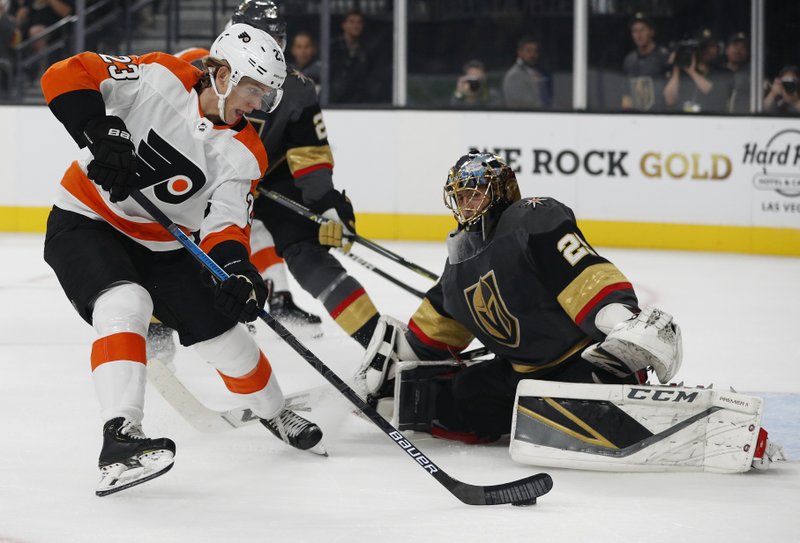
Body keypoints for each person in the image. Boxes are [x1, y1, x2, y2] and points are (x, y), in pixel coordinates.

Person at [40, 23, 324, 496]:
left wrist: (237, 270)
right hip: (87, 220)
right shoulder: (159, 76)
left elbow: (226, 224)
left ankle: (275, 412)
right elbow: (66, 73)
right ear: (225, 73)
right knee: (124, 303)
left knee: (228, 341)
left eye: (265, 97)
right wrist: (99, 127)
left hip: (166, 246)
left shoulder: (245, 153)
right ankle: (120, 435)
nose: (257, 105)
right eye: (253, 90)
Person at [355, 152, 683, 444]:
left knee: (584, 383)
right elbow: (429, 337)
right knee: (466, 392)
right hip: (524, 376)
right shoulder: (455, 270)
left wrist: (621, 322)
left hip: (579, 359)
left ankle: (623, 377)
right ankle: (404, 403)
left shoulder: (532, 220)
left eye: (476, 193)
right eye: (462, 196)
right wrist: (386, 371)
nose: (468, 203)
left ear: (500, 193)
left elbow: (585, 276)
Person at [170, 1, 382, 350]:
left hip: (269, 176)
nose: (268, 46)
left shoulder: (296, 89)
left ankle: (377, 339)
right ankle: (163, 317)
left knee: (307, 246)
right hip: (206, 176)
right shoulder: (194, 66)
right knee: (179, 242)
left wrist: (325, 205)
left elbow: (310, 157)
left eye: (275, 38)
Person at [663, 28, 733, 113]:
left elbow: (716, 96)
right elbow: (669, 100)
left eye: (711, 46)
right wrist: (676, 66)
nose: (707, 50)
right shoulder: (682, 74)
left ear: (718, 48)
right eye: (703, 46)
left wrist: (692, 73)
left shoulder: (724, 73)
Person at [620, 12, 669, 111]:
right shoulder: (629, 60)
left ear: (651, 32)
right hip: (635, 117)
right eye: (634, 31)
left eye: (642, 30)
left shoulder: (663, 57)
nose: (638, 35)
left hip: (659, 115)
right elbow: (626, 94)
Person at [329, 8, 374, 103]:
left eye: (359, 22)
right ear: (344, 25)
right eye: (352, 22)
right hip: (334, 100)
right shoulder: (333, 48)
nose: (356, 25)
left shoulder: (367, 50)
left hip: (359, 101)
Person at [502, 35, 552, 109]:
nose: (533, 55)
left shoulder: (536, 73)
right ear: (519, 52)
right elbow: (520, 104)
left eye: (535, 51)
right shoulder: (514, 75)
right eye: (528, 51)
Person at [724, 32, 750, 112]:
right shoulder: (717, 73)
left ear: (747, 53)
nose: (738, 51)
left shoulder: (753, 76)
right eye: (735, 46)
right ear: (727, 50)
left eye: (743, 48)